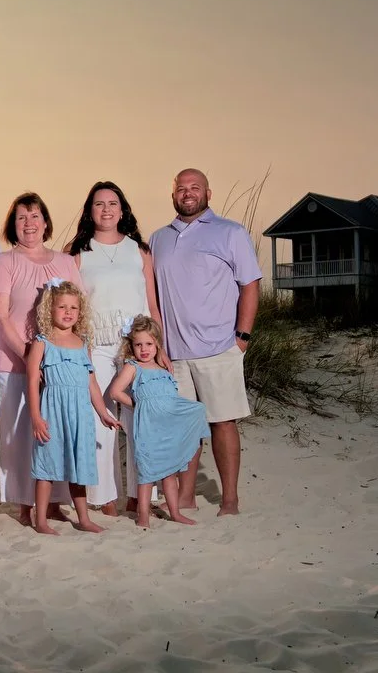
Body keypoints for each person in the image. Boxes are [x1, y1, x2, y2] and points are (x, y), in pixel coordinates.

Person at [150, 168, 262, 517]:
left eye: (194, 188)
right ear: (173, 195)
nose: (187, 193)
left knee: (222, 422)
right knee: (185, 427)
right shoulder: (158, 238)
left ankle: (230, 499)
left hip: (218, 348)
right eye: (181, 188)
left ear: (207, 193)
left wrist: (241, 338)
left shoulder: (230, 232)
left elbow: (250, 285)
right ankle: (186, 496)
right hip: (174, 354)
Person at [65, 181, 166, 515]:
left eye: (112, 203)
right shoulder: (77, 252)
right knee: (101, 420)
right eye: (98, 204)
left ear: (122, 209)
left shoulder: (139, 251)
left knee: (140, 417)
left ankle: (142, 495)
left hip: (138, 347)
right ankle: (104, 497)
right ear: (89, 210)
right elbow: (72, 306)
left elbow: (151, 302)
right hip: (98, 345)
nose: (106, 210)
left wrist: (159, 345)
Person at [0, 192, 81, 526]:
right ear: (13, 225)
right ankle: (25, 504)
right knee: (20, 434)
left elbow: (76, 311)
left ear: (46, 222)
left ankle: (55, 501)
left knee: (55, 432)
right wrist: (30, 356)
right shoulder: (4, 261)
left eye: (35, 216)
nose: (29, 223)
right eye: (22, 217)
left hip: (60, 367)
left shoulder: (66, 261)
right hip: (14, 362)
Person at [27, 280, 122, 535]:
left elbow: (91, 382)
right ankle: (42, 520)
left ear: (80, 312)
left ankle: (84, 518)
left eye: (73, 308)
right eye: (62, 307)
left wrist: (103, 412)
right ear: (50, 310)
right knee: (46, 465)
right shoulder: (42, 342)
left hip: (80, 413)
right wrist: (36, 417)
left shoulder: (83, 342)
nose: (68, 312)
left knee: (79, 466)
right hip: (52, 412)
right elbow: (32, 382)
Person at [107, 316, 210, 528]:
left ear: (157, 345)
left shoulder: (164, 370)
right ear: (132, 346)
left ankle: (175, 513)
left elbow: (171, 400)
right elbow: (115, 392)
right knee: (147, 474)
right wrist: (138, 404)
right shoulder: (133, 367)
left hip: (167, 428)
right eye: (138, 345)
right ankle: (142, 516)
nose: (144, 349)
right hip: (148, 428)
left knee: (170, 474)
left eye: (149, 344)